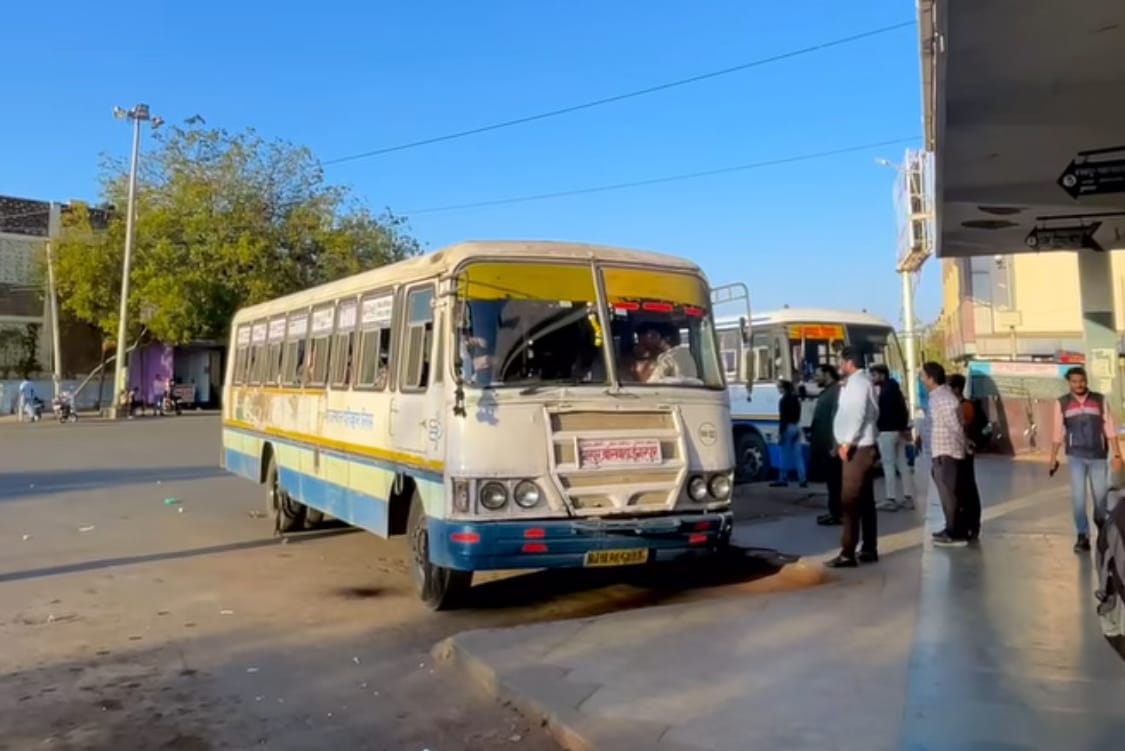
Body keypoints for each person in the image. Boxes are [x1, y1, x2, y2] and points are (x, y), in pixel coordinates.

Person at [1049, 366, 1124, 553]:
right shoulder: (1062, 403)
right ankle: (1082, 536)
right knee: (1079, 499)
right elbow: (1057, 433)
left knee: (1100, 498)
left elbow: (1110, 429)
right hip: (1076, 457)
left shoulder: (1099, 400)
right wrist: (1053, 458)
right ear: (1069, 383)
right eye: (1074, 381)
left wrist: (1117, 455)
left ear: (1086, 380)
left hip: (1098, 456)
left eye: (1081, 380)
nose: (1078, 384)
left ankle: (1101, 526)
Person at [825, 347, 880, 568]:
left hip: (857, 448)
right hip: (863, 446)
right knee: (866, 501)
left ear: (849, 362)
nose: (839, 365)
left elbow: (857, 413)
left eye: (841, 361)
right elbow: (873, 413)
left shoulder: (857, 383)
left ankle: (848, 553)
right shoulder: (862, 382)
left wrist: (847, 441)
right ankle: (868, 548)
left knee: (849, 502)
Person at [919, 362, 968, 547]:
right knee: (946, 493)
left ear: (931, 378)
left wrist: (964, 445)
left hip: (946, 452)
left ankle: (955, 532)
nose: (921, 379)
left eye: (923, 375)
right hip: (939, 451)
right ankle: (950, 527)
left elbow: (955, 426)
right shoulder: (937, 397)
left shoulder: (943, 398)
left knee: (949, 494)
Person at [870, 364, 915, 511]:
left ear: (882, 375)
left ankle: (891, 498)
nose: (873, 378)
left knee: (888, 465)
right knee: (902, 464)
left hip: (886, 432)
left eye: (874, 375)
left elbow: (879, 413)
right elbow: (903, 410)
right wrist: (904, 428)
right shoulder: (895, 389)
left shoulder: (884, 392)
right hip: (898, 432)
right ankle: (908, 497)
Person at [948, 374, 983, 542]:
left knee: (967, 489)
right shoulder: (962, 405)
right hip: (959, 451)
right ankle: (966, 524)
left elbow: (963, 429)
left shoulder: (965, 406)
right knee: (963, 489)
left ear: (956, 389)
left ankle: (971, 525)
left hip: (965, 452)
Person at [809, 365, 843, 526]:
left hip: (831, 446)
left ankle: (837, 513)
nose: (815, 378)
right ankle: (833, 511)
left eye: (817, 374)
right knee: (831, 482)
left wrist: (835, 445)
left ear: (827, 374)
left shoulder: (836, 391)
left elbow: (835, 419)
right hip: (825, 446)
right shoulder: (830, 391)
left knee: (835, 482)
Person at [771, 379, 807, 488]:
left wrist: (781, 433)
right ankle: (803, 479)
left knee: (784, 455)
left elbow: (783, 418)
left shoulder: (783, 401)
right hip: (796, 427)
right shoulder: (796, 399)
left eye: (779, 388)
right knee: (798, 456)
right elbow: (798, 414)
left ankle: (782, 479)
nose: (778, 390)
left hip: (787, 428)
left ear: (784, 388)